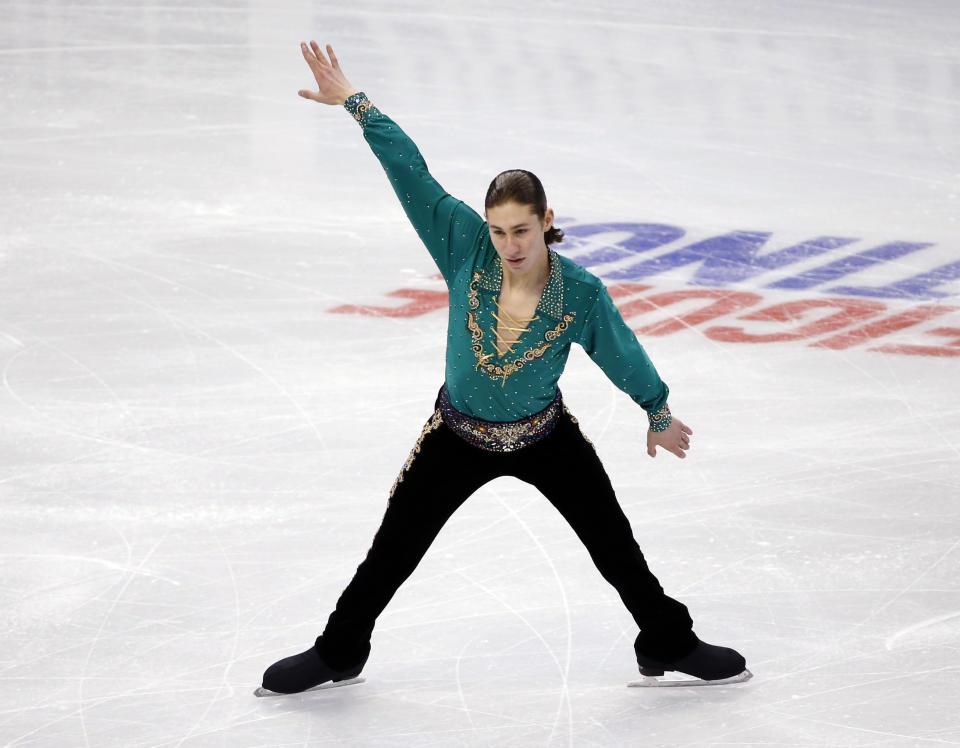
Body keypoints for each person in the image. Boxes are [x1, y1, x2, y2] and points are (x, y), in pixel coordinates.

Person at [260, 40, 749, 694]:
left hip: (545, 437)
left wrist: (656, 409)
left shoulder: (579, 292)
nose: (509, 244)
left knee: (616, 548)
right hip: (456, 436)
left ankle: (666, 639)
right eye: (499, 230)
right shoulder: (464, 245)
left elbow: (620, 350)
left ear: (546, 222)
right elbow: (413, 173)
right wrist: (355, 102)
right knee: (392, 552)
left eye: (521, 230)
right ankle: (340, 651)